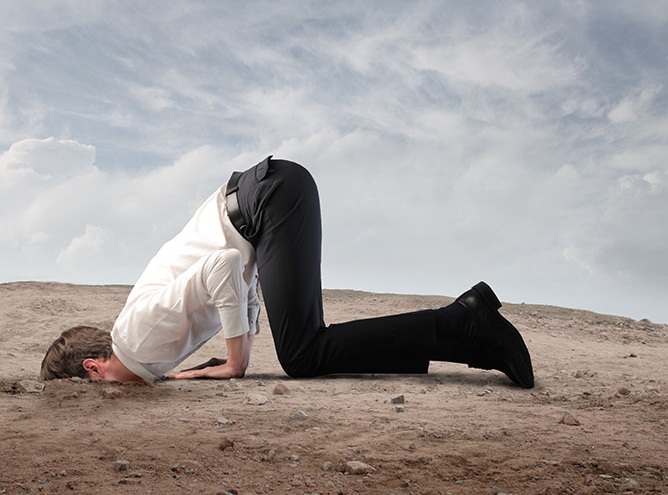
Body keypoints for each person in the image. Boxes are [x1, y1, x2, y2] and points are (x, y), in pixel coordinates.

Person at [40, 157, 533, 388]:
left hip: (268, 199)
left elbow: (225, 263)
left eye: (92, 393)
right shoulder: (148, 353)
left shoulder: (137, 336)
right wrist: (234, 354)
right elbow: (238, 281)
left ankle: (462, 323)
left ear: (93, 368)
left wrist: (236, 363)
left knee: (301, 354)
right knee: (303, 349)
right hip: (268, 197)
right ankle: (467, 341)